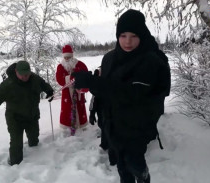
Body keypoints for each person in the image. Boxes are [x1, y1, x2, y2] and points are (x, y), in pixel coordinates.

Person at [72, 9, 171, 183]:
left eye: (133, 36)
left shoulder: (151, 60)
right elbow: (106, 89)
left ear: (142, 35)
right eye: (123, 35)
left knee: (135, 164)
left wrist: (92, 82)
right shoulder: (110, 58)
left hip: (138, 126)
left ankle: (143, 177)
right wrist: (91, 86)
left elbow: (132, 93)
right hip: (114, 124)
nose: (128, 41)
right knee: (122, 167)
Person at [0, 60, 54, 166]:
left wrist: (49, 91)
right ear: (16, 71)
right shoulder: (8, 84)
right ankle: (14, 167)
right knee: (16, 144)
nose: (25, 77)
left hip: (32, 116)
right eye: (22, 75)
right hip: (15, 118)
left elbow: (43, 84)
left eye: (27, 74)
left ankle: (35, 156)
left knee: (34, 139)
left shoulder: (34, 78)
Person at [55, 44, 89, 135]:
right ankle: (68, 128)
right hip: (67, 93)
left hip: (78, 92)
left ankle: (82, 127)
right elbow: (59, 80)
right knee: (67, 110)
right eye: (65, 57)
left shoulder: (80, 65)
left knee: (79, 108)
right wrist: (71, 78)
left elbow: (86, 78)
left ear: (72, 55)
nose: (67, 59)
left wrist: (82, 86)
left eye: (69, 57)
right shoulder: (60, 67)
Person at [88, 66, 109, 150]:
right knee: (103, 125)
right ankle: (105, 144)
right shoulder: (97, 88)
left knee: (107, 127)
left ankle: (105, 144)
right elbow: (93, 101)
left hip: (112, 111)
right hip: (101, 112)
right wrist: (91, 114)